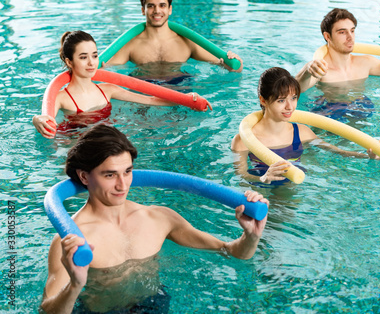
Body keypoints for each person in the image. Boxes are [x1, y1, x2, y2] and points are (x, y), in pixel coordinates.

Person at [40, 124, 269, 313]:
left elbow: (231, 253)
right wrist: (74, 285)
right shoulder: (72, 241)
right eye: (110, 175)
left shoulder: (158, 218)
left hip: (155, 306)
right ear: (84, 177)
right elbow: (46, 310)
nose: (122, 185)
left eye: (128, 172)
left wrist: (251, 235)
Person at [32, 31, 211, 139]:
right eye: (83, 57)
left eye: (94, 55)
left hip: (107, 141)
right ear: (69, 62)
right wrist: (37, 120)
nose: (91, 63)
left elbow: (150, 100)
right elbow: (46, 117)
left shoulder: (108, 90)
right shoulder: (62, 98)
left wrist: (187, 100)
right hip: (74, 143)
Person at [231, 67, 380, 184]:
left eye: (293, 98)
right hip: (262, 193)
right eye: (281, 100)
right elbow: (241, 176)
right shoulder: (244, 140)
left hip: (296, 187)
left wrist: (369, 155)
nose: (290, 107)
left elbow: (339, 153)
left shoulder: (302, 132)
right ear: (263, 100)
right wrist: (263, 179)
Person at [103, 0, 243, 73]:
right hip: (143, 93)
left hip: (181, 91)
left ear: (170, 9)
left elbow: (229, 67)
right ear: (142, 10)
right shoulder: (131, 44)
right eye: (151, 6)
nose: (157, 11)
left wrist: (235, 62)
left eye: (162, 5)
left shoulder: (186, 42)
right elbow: (103, 67)